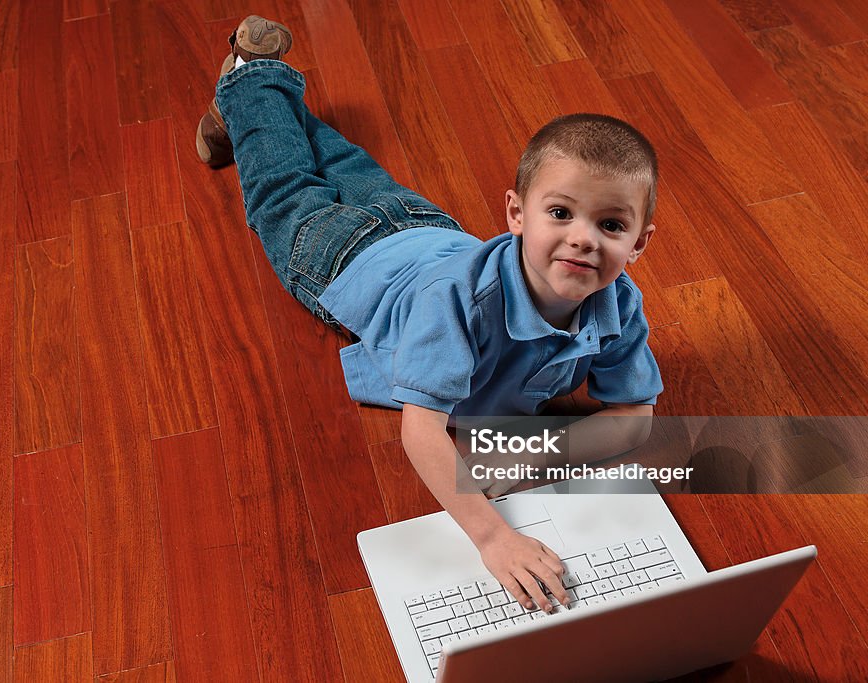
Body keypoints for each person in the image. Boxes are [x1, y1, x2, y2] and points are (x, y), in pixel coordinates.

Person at [197, 16, 662, 616]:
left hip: (427, 228)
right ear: (516, 214)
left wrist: (532, 456)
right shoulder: (460, 304)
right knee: (282, 186)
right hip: (341, 255)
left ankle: (251, 96)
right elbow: (422, 430)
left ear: (640, 243)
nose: (583, 241)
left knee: (343, 159)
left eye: (611, 225)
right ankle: (250, 84)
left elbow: (635, 416)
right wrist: (494, 537)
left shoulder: (619, 304)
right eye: (561, 213)